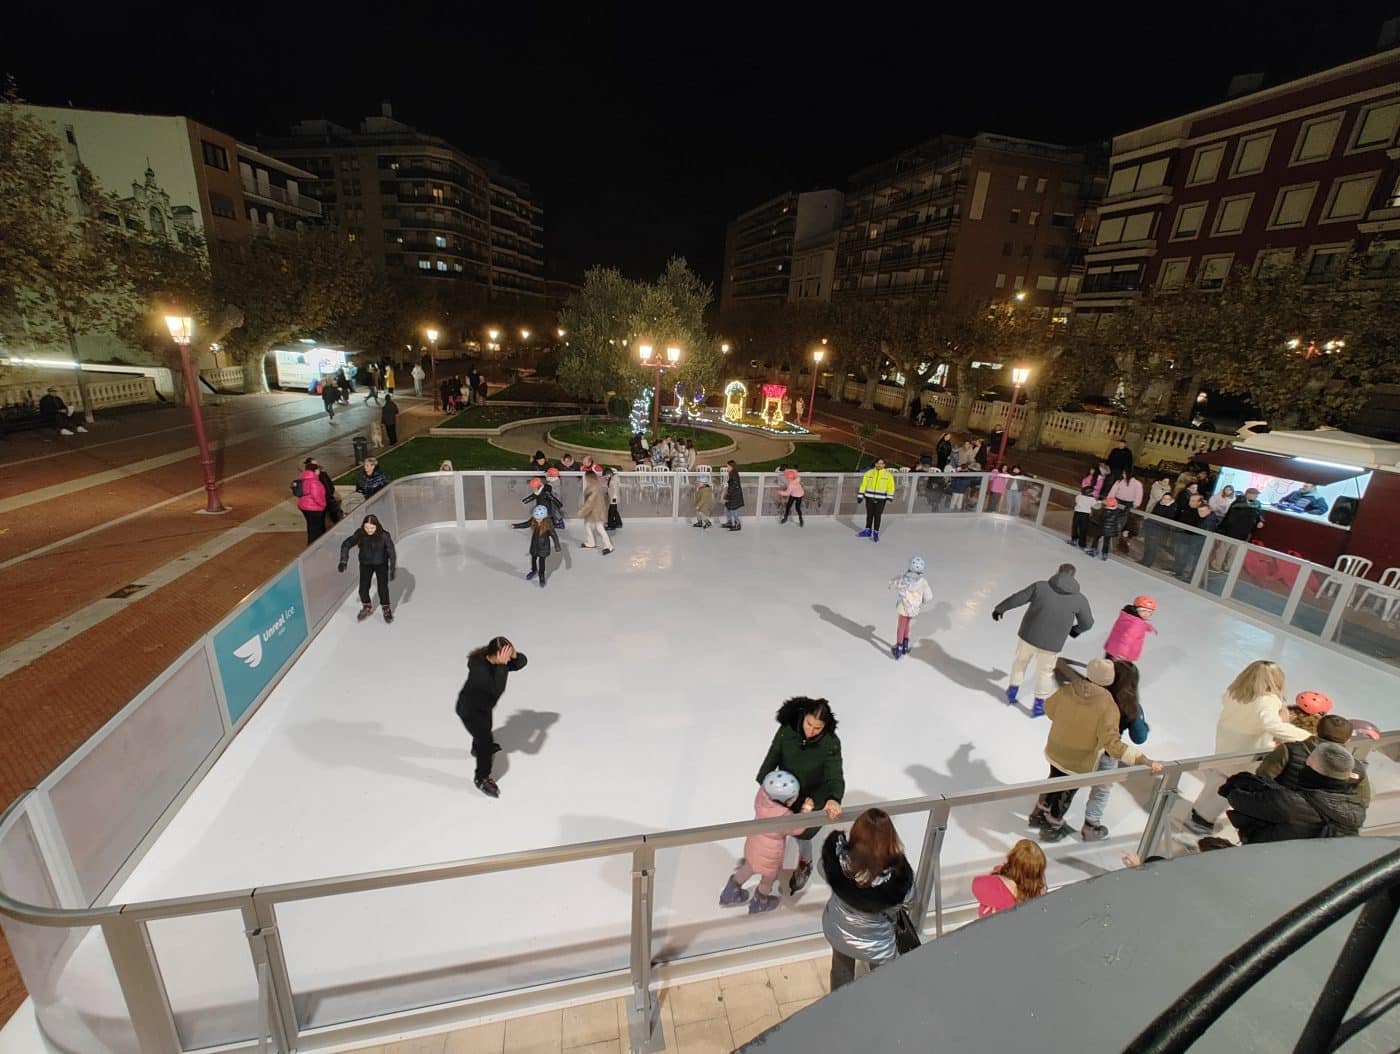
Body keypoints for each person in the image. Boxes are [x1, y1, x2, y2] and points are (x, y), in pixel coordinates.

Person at [1031, 658, 1162, 842]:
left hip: (1063, 746)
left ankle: (1039, 812)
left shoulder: (1075, 690)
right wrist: (1143, 754)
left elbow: (1050, 708)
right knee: (1097, 789)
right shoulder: (1120, 706)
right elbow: (1138, 737)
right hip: (1097, 753)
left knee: (1056, 778)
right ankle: (1082, 825)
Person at [1186, 660, 1312, 835]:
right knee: (1234, 785)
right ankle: (1204, 821)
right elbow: (1272, 725)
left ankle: (1199, 814)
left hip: (1227, 744)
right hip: (1248, 751)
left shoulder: (1235, 692)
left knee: (1218, 778)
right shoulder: (1268, 700)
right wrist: (1306, 737)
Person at [756, 697, 845, 894]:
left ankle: (806, 862)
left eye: (818, 727)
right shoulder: (787, 731)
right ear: (803, 717)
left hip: (812, 797)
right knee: (774, 831)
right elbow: (772, 757)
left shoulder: (830, 743)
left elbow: (834, 776)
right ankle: (770, 861)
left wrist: (833, 797)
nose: (811, 731)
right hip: (785, 789)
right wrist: (765, 783)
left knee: (803, 835)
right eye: (809, 724)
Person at [820, 808, 915, 989]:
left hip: (840, 930)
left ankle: (839, 1006)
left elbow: (822, 869)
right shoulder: (898, 876)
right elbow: (909, 901)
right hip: (877, 942)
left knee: (841, 971)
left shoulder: (840, 862)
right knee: (882, 980)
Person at [992, 563, 1094, 718]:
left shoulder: (1040, 587)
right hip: (1052, 645)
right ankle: (1038, 705)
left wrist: (1000, 608)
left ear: (1058, 572)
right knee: (1044, 673)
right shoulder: (1079, 600)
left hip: (1028, 636)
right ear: (1073, 576)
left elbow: (1018, 598)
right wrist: (1075, 630)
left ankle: (1012, 691)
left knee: (1020, 662)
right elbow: (1088, 623)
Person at [1222, 743, 1366, 844]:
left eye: (1308, 761)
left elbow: (1236, 798)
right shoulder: (1357, 807)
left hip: (1270, 857)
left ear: (1312, 768)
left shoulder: (1288, 802)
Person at [719, 770, 806, 915]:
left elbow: (764, 788)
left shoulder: (761, 800)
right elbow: (798, 829)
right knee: (767, 880)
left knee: (747, 868)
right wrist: (806, 810)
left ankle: (729, 893)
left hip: (753, 846)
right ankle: (759, 902)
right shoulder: (784, 817)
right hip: (770, 857)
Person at [455, 637, 527, 798]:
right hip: (470, 711)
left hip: (483, 708)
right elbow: (496, 690)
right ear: (498, 655)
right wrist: (503, 665)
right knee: (485, 743)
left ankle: (477, 748)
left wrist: (514, 656)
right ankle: (482, 778)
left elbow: (522, 662)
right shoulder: (480, 669)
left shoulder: (494, 660)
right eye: (507, 655)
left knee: (484, 732)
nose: (509, 660)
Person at [1258, 708, 1372, 807]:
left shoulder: (1289, 750)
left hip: (1281, 811)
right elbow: (1364, 800)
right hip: (1322, 825)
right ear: (1348, 740)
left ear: (1317, 730)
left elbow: (1262, 777)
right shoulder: (1356, 768)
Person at [338, 513, 397, 623]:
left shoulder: (384, 536)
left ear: (377, 526)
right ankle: (367, 606)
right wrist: (343, 560)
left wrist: (392, 568)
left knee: (382, 588)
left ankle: (386, 608)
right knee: (363, 589)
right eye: (367, 528)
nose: (369, 530)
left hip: (381, 564)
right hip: (365, 564)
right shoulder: (360, 534)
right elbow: (346, 544)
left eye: (372, 528)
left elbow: (391, 552)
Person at [972, 840, 1047, 917]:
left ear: (1012, 858)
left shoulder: (994, 886)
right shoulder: (1038, 891)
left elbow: (976, 883)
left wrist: (995, 875)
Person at [889, 556, 934, 659]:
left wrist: (892, 583)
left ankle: (899, 648)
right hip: (913, 608)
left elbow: (896, 583)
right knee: (907, 624)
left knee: (901, 626)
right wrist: (921, 602)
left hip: (903, 606)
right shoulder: (923, 582)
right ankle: (905, 645)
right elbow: (929, 597)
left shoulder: (905, 578)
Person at [1104, 595, 1157, 663]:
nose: (1147, 614)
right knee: (1113, 671)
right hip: (1121, 655)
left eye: (1150, 612)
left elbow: (1134, 626)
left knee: (1105, 667)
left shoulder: (1128, 616)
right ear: (1136, 609)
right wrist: (1122, 653)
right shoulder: (1138, 624)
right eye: (1143, 610)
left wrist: (1147, 627)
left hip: (1113, 648)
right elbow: (1127, 639)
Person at [1138, 487, 1180, 570]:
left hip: (1161, 530)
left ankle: (1148, 562)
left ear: (1171, 500)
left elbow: (1168, 518)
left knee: (1153, 546)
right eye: (1164, 498)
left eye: (1167, 499)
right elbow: (1153, 513)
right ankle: (1144, 559)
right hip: (1151, 527)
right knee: (1148, 544)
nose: (1164, 500)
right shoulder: (1158, 504)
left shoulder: (1173, 507)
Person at [856, 457, 897, 541]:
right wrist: (860, 495)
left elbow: (891, 487)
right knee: (869, 515)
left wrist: (889, 497)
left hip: (881, 499)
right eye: (878, 463)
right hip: (869, 497)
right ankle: (867, 531)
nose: (879, 465)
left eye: (882, 463)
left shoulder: (888, 475)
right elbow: (863, 485)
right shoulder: (869, 473)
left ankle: (875, 533)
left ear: (884, 465)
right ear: (875, 464)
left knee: (877, 516)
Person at [1105, 469, 1143, 554]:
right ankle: (1108, 541)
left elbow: (1138, 495)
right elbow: (1113, 491)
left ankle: (1115, 544)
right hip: (1117, 502)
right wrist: (1109, 499)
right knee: (1111, 521)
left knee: (1119, 524)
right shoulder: (1120, 481)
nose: (1123, 475)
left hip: (1127, 505)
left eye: (1124, 473)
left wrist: (1135, 504)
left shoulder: (1137, 484)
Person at [578, 469, 615, 555]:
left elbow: (590, 502)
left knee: (599, 528)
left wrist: (582, 511)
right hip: (593, 511)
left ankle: (609, 546)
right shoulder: (594, 486)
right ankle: (591, 543)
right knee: (587, 525)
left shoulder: (593, 488)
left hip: (596, 512)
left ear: (588, 478)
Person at [295, 458, 328, 544]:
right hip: (314, 507)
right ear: (315, 471)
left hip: (303, 506)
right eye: (318, 469)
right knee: (316, 528)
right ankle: (315, 544)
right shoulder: (314, 482)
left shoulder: (304, 479)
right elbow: (317, 497)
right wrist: (323, 505)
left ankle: (311, 542)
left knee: (310, 525)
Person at [526, 506, 560, 586]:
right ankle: (534, 570)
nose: (537, 520)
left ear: (544, 518)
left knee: (542, 561)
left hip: (543, 547)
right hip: (534, 545)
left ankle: (541, 575)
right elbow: (526, 524)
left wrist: (557, 546)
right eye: (536, 518)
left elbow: (554, 535)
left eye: (539, 519)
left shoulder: (548, 526)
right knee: (533, 558)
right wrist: (515, 526)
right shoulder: (534, 521)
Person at [1086, 497, 1127, 561]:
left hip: (1101, 529)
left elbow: (1096, 517)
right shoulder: (1117, 512)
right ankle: (1104, 554)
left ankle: (1093, 550)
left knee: (1096, 539)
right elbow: (1124, 514)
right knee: (1106, 542)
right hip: (1110, 531)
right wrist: (1127, 509)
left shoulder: (1103, 511)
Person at [723, 460, 745, 531]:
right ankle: (729, 522)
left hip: (735, 495)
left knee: (733, 510)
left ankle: (738, 524)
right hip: (732, 494)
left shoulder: (733, 474)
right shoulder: (732, 473)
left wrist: (728, 494)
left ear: (731, 466)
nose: (727, 468)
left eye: (728, 466)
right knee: (727, 508)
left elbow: (734, 486)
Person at [604, 466, 623, 531]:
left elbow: (615, 490)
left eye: (607, 474)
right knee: (614, 511)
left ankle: (611, 525)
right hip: (613, 498)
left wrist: (614, 498)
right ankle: (618, 523)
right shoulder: (612, 479)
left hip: (614, 499)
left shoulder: (614, 480)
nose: (606, 476)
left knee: (611, 512)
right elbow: (611, 488)